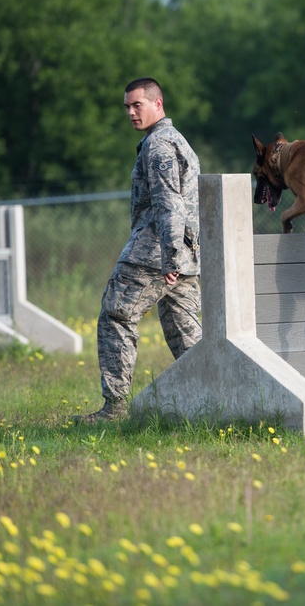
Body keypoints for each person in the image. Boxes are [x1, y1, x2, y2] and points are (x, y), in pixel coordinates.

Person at [74, 77, 202, 424]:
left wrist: (170, 259)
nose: (131, 113)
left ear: (157, 104)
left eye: (138, 105)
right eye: (127, 107)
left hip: (155, 253)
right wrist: (180, 257)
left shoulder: (159, 145)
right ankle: (212, 404)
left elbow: (169, 205)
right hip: (184, 253)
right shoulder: (175, 140)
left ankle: (114, 410)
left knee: (115, 315)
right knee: (186, 334)